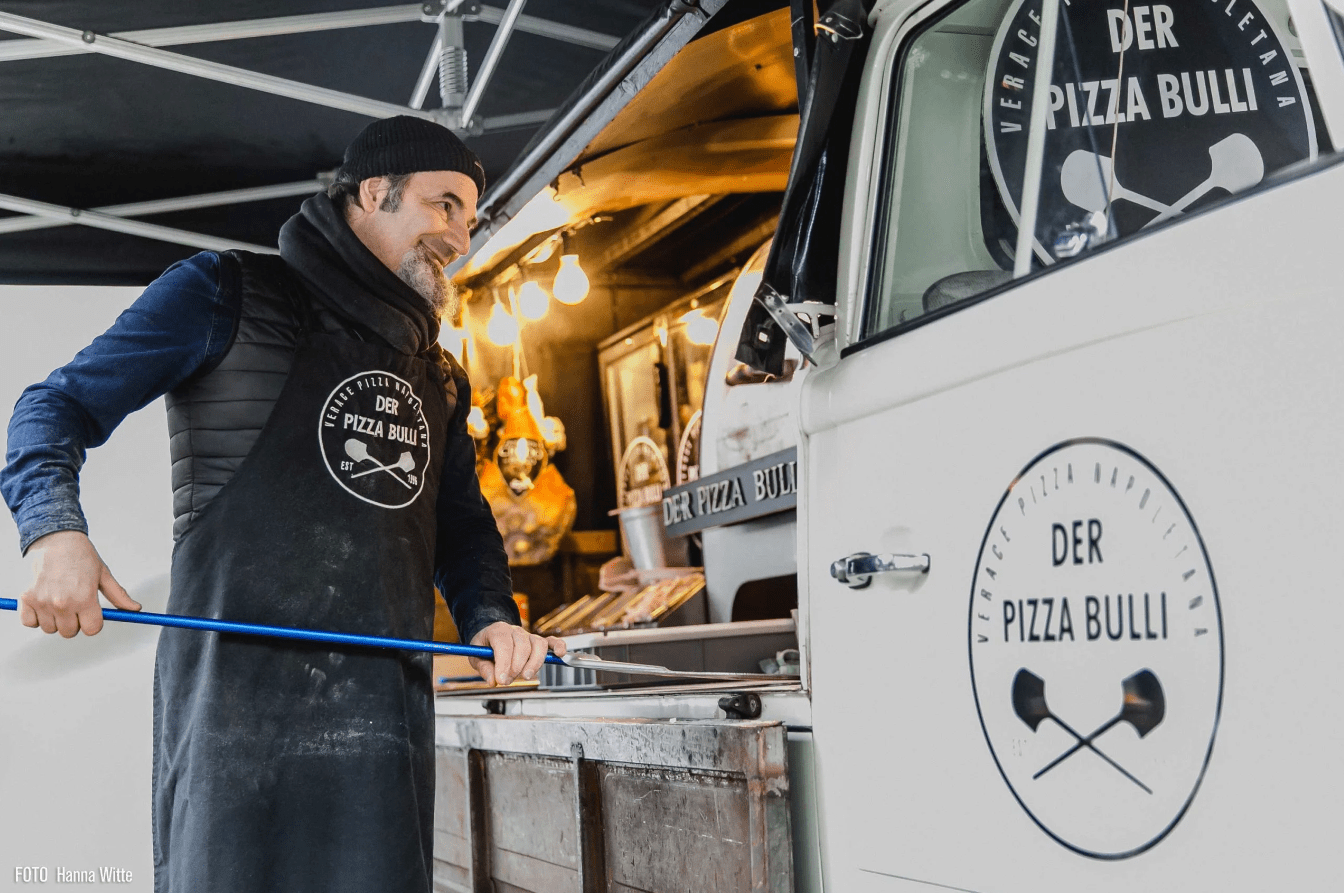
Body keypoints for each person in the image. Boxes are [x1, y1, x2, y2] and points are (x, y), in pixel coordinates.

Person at [0, 116, 564, 892]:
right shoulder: (224, 292)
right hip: (235, 739)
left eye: (470, 215)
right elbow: (51, 408)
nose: (461, 237)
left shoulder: (438, 375)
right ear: (376, 191)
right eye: (445, 205)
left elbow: (462, 528)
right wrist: (53, 532)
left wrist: (491, 615)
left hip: (382, 744)